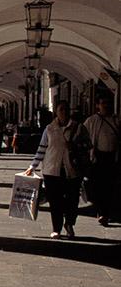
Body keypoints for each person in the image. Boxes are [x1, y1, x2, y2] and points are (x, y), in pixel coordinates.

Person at [24, 100, 91, 239]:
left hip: (72, 170)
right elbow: (42, 149)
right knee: (55, 202)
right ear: (56, 112)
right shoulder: (49, 129)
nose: (64, 112)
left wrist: (75, 146)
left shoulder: (79, 128)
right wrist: (32, 166)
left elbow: (88, 146)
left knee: (72, 200)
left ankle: (70, 223)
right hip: (52, 171)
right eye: (61, 109)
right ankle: (57, 228)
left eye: (66, 109)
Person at [83, 96, 119, 226]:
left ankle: (105, 213)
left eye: (108, 103)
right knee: (97, 187)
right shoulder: (92, 121)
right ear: (97, 105)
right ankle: (100, 210)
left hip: (112, 158)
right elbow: (82, 136)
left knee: (109, 187)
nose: (106, 106)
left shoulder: (116, 120)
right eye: (103, 103)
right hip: (97, 158)